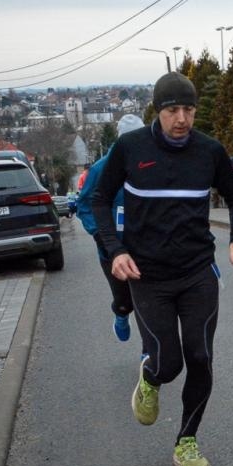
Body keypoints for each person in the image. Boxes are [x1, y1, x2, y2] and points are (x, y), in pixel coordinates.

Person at [90, 72, 233, 466]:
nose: (181, 118)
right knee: (168, 364)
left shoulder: (209, 151)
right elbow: (99, 199)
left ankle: (186, 441)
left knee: (200, 356)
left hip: (198, 272)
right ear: (157, 111)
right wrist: (116, 249)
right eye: (172, 110)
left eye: (189, 110)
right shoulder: (130, 148)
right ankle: (149, 378)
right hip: (148, 277)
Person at [75, 113, 146, 342]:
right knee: (126, 301)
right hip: (112, 248)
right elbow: (84, 204)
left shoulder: (149, 164)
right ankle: (121, 314)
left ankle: (149, 353)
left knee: (148, 302)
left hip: (145, 245)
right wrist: (98, 234)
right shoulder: (101, 168)